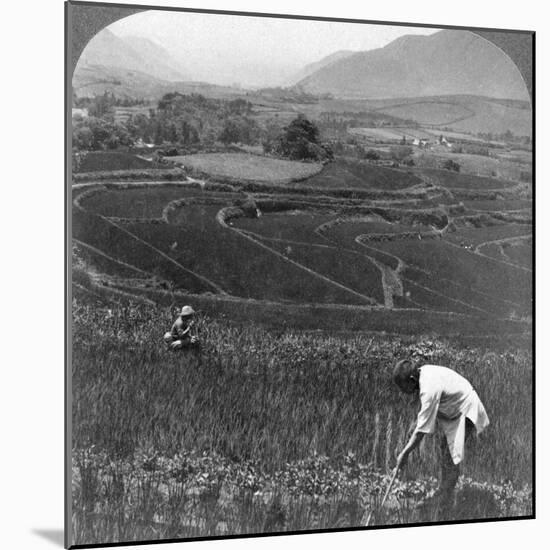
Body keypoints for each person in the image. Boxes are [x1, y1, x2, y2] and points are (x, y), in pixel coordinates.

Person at [392, 359, 489, 519]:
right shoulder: (423, 372)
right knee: (446, 450)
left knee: (448, 453)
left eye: (403, 387)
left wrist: (404, 454)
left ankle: (445, 500)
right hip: (456, 409)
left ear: (412, 380)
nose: (403, 391)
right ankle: (444, 493)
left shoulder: (429, 388)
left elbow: (421, 431)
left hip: (466, 409)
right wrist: (415, 426)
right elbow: (423, 415)